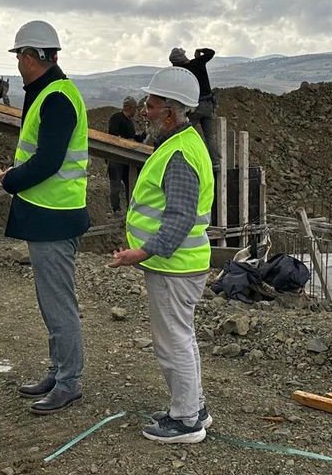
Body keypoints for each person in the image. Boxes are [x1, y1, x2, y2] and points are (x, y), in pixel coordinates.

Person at [109, 66, 216, 444]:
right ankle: (194, 408)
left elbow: (179, 218)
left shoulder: (181, 153)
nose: (145, 111)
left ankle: (186, 421)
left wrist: (140, 252)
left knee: (173, 341)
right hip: (178, 265)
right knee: (180, 337)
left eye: (151, 105)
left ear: (170, 111)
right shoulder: (179, 144)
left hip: (175, 266)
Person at [0, 20, 90, 415]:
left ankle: (69, 381)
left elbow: (49, 161)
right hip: (48, 213)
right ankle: (58, 371)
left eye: (20, 55)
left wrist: (11, 180)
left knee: (57, 302)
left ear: (34, 57)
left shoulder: (56, 98)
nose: (18, 62)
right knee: (50, 300)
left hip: (55, 215)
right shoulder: (48, 94)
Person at [169, 47, 219, 167]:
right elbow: (211, 52)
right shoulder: (198, 62)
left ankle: (183, 157)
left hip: (195, 107)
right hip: (208, 105)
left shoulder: (182, 72)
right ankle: (215, 162)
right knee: (209, 136)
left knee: (184, 132)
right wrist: (200, 51)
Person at [106, 96, 139, 214]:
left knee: (130, 185)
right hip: (115, 158)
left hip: (127, 160)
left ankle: (130, 208)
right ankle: (116, 209)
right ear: (128, 107)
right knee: (115, 186)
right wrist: (127, 140)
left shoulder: (130, 122)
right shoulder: (116, 118)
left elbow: (132, 138)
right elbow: (113, 137)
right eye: (134, 108)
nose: (136, 111)